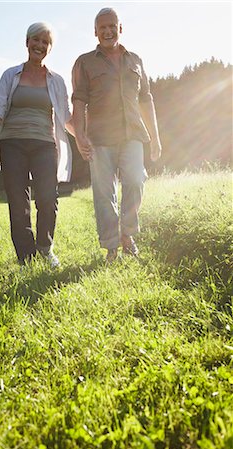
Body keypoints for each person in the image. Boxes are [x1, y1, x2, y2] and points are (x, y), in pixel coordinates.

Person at [0, 22, 74, 267]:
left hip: (44, 144)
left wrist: (84, 138)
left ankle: (44, 248)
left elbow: (66, 116)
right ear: (27, 42)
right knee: (19, 203)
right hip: (12, 144)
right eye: (35, 40)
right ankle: (26, 257)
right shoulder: (11, 75)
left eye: (45, 42)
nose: (39, 45)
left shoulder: (56, 80)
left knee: (48, 198)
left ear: (49, 48)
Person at [72, 8, 162, 262]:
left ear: (120, 28)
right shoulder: (84, 62)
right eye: (102, 28)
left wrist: (155, 136)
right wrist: (80, 136)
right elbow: (78, 100)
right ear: (95, 32)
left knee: (136, 180)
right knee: (104, 193)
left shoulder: (135, 60)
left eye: (112, 26)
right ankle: (111, 245)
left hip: (133, 133)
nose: (108, 31)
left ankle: (128, 233)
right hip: (100, 137)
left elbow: (146, 99)